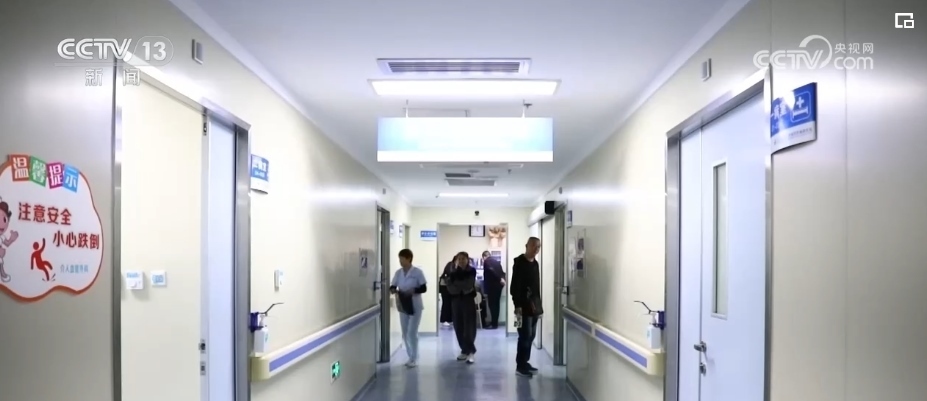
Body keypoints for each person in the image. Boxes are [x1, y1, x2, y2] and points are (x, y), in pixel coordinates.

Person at [389, 248, 427, 368]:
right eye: (399, 259)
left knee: (411, 332)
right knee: (405, 333)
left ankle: (414, 357)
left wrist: (413, 290)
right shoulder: (398, 273)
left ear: (409, 258)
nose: (400, 261)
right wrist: (393, 290)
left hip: (415, 305)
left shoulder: (417, 272)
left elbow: (424, 288)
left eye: (402, 259)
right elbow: (393, 286)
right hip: (403, 305)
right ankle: (410, 356)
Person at [510, 237, 543, 377]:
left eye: (538, 246)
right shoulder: (519, 263)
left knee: (532, 335)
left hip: (534, 306)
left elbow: (536, 287)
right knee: (524, 335)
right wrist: (517, 305)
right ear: (527, 246)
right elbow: (514, 287)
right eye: (534, 245)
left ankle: (525, 361)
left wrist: (539, 307)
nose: (536, 249)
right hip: (521, 307)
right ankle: (520, 365)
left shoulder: (535, 264)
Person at [446, 251, 479, 364]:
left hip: (468, 300)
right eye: (459, 259)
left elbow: (469, 285)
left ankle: (471, 351)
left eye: (463, 259)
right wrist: (461, 288)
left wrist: (458, 285)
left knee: (469, 326)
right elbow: (449, 287)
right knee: (458, 325)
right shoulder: (453, 272)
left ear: (467, 260)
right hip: (456, 301)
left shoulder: (471, 271)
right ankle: (464, 350)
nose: (461, 261)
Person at [481, 251, 506, 329]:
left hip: (492, 287)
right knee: (496, 305)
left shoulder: (486, 261)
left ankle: (494, 324)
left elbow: (491, 271)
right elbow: (503, 273)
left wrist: (499, 279)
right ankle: (494, 323)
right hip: (498, 287)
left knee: (492, 305)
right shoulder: (497, 262)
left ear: (484, 257)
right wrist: (502, 279)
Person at [438, 258, 455, 326]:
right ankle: (445, 319)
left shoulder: (444, 276)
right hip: (446, 289)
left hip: (446, 289)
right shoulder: (446, 276)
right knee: (446, 304)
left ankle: (448, 319)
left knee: (448, 304)